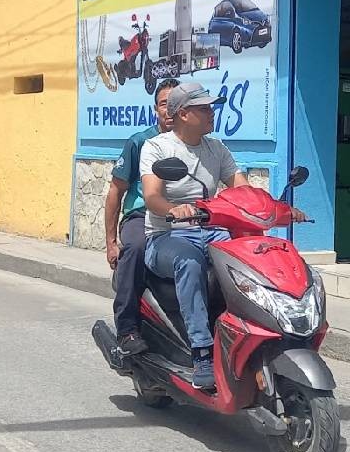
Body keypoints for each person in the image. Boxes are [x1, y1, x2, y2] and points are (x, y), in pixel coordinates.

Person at [140, 82, 305, 389]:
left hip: (211, 231)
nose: (211, 113)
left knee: (253, 255)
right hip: (166, 237)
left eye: (210, 107)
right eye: (204, 108)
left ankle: (256, 330)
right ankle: (202, 351)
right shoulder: (158, 148)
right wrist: (175, 209)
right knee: (189, 262)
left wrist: (278, 209)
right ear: (184, 114)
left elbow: (242, 189)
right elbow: (152, 196)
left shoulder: (217, 148)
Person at [104, 78, 178, 356]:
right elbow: (115, 191)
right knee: (134, 249)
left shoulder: (198, 143)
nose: (169, 111)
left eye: (175, 104)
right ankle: (127, 329)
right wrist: (112, 242)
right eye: (163, 105)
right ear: (156, 109)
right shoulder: (139, 142)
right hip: (141, 215)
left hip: (184, 217)